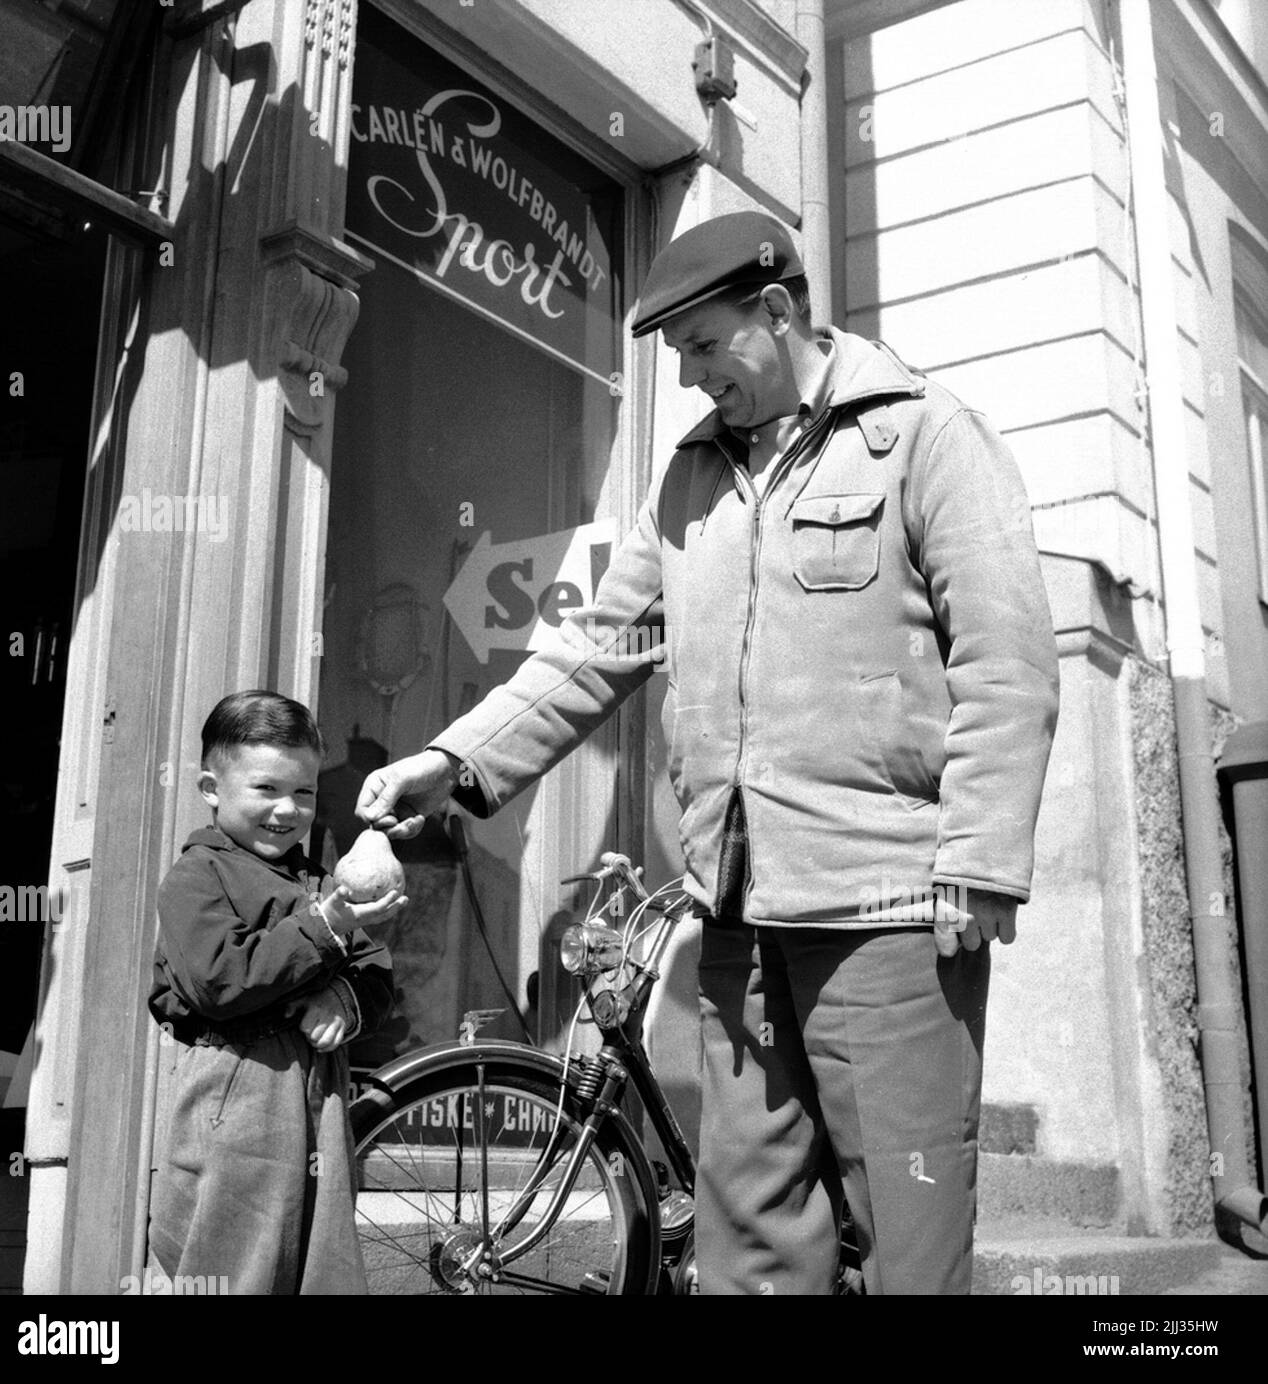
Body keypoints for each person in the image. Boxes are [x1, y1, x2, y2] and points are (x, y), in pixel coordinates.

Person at [354, 212, 1060, 1294]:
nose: (686, 378)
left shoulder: (925, 435)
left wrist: (978, 852)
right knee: (750, 1246)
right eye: (673, 354)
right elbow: (595, 649)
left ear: (776, 314)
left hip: (886, 912)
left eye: (701, 346)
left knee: (910, 1249)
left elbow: (1006, 658)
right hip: (735, 920)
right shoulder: (690, 480)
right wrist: (451, 761)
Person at [148, 690, 402, 1294]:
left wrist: (344, 1001)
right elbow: (220, 982)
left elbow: (376, 968)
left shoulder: (316, 879)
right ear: (212, 788)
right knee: (236, 1260)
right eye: (266, 789)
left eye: (305, 793)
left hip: (320, 1095)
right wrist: (324, 927)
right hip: (239, 1091)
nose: (287, 811)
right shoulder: (195, 879)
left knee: (319, 1266)